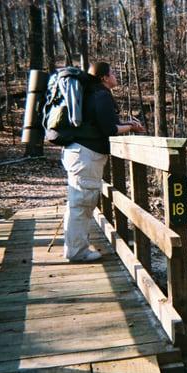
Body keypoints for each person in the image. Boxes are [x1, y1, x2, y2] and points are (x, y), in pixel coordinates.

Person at [62, 61, 145, 261]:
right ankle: (76, 252)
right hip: (86, 156)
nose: (116, 76)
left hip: (80, 154)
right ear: (104, 78)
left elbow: (107, 124)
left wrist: (127, 125)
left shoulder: (92, 93)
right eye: (113, 73)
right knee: (82, 204)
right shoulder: (101, 95)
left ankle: (74, 247)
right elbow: (110, 130)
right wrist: (132, 128)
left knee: (78, 202)